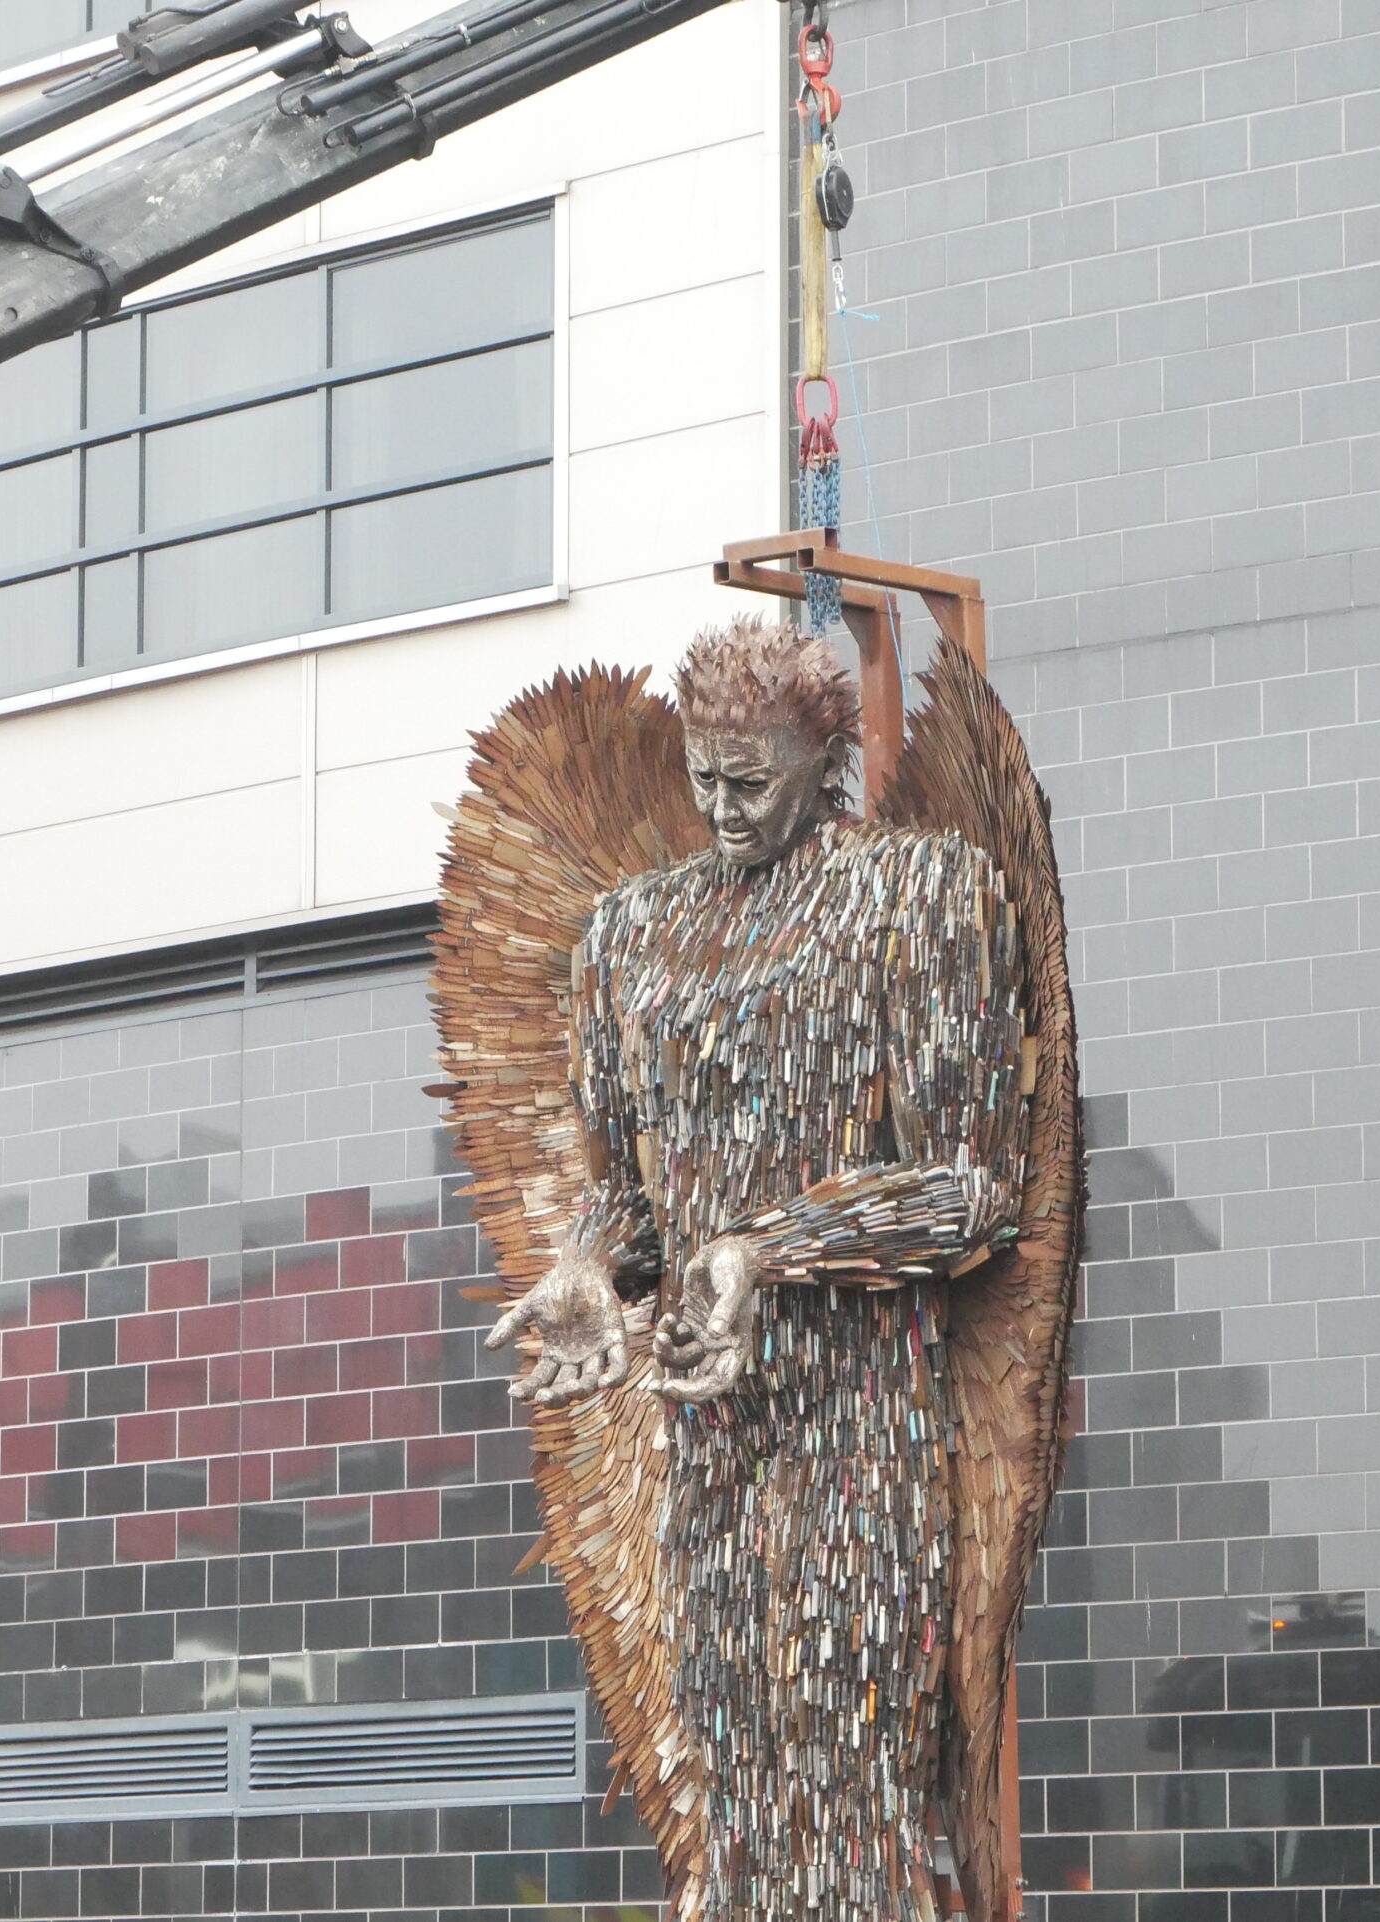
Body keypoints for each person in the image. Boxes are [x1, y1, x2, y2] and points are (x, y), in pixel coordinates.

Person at [482, 615, 1031, 1922]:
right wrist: (583, 1268)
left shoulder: (922, 897)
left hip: (863, 1457)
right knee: (735, 1807)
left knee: (854, 1802)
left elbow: (973, 1190)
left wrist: (767, 1250)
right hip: (709, 1448)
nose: (721, 808)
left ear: (823, 756)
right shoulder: (630, 940)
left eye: (753, 779)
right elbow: (631, 1199)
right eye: (705, 775)